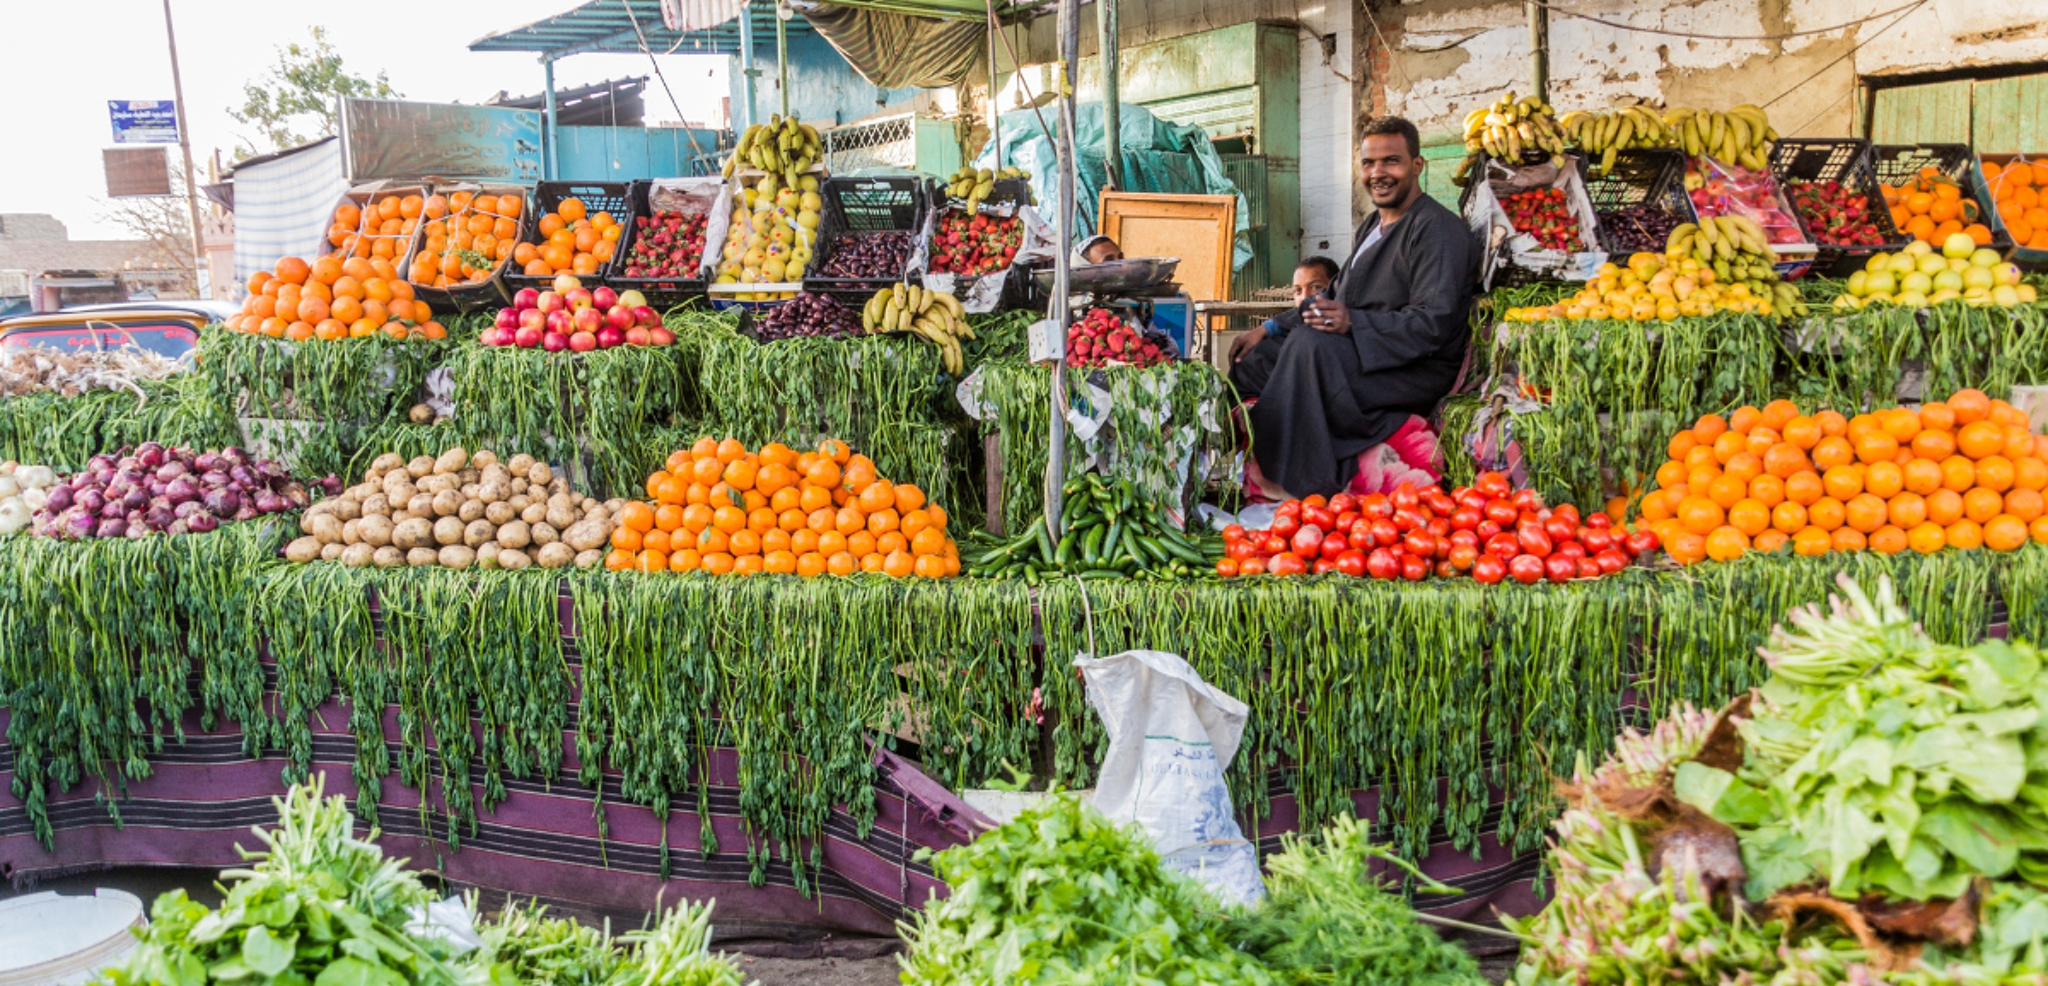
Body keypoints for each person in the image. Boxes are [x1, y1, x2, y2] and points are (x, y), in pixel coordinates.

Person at [1228, 116, 1478, 499]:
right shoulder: (1371, 227)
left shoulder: (1437, 230)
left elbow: (1433, 324)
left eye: (1390, 161)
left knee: (1309, 347)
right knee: (1255, 359)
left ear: (1417, 165)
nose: (1378, 173)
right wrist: (1268, 329)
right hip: (1356, 351)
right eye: (1368, 163)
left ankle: (1298, 483)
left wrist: (1352, 323)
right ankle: (1233, 458)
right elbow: (1332, 299)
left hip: (1410, 367)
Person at [1228, 256, 1339, 365]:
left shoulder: (1343, 331)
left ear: (1335, 287)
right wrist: (1265, 329)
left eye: (1315, 287)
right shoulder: (1289, 328)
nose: (1304, 297)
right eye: (1298, 290)